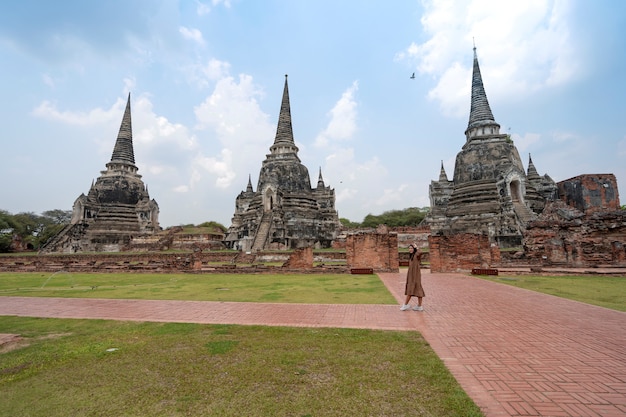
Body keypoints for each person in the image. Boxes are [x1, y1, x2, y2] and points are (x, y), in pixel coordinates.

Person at [400, 243, 425, 311]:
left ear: (414, 249)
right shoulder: (411, 256)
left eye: (411, 248)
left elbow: (420, 252)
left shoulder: (416, 255)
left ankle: (406, 305)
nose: (410, 249)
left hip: (416, 276)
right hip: (411, 275)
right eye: (409, 248)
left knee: (417, 289)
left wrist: (416, 247)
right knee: (412, 289)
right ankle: (418, 306)